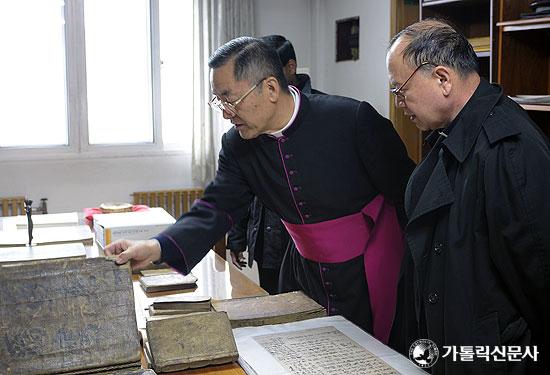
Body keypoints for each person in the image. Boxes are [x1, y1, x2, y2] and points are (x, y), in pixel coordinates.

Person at [105, 36, 414, 343]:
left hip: (370, 268)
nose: (226, 112)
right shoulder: (237, 145)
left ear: (269, 88)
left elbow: (409, 194)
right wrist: (157, 247)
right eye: (219, 101)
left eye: (230, 99)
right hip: (302, 274)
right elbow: (216, 209)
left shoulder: (351, 119)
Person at [386, 19, 550, 374]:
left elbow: (539, 279)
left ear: (443, 79)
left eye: (401, 90)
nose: (399, 103)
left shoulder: (509, 150)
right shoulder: (454, 135)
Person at [227, 35, 324, 295]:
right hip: (266, 240)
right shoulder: (250, 121)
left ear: (289, 68)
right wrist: (236, 236)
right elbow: (241, 184)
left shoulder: (320, 116)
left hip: (308, 245)